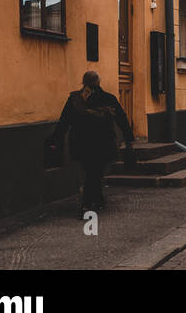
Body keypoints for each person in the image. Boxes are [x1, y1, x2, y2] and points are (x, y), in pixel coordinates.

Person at [47, 70, 134, 214]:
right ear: (99, 82)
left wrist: (57, 138)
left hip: (81, 143)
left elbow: (64, 121)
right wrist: (129, 138)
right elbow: (122, 119)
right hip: (103, 143)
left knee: (90, 171)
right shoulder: (108, 98)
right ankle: (89, 203)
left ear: (83, 82)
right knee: (96, 171)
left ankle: (95, 200)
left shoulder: (74, 99)